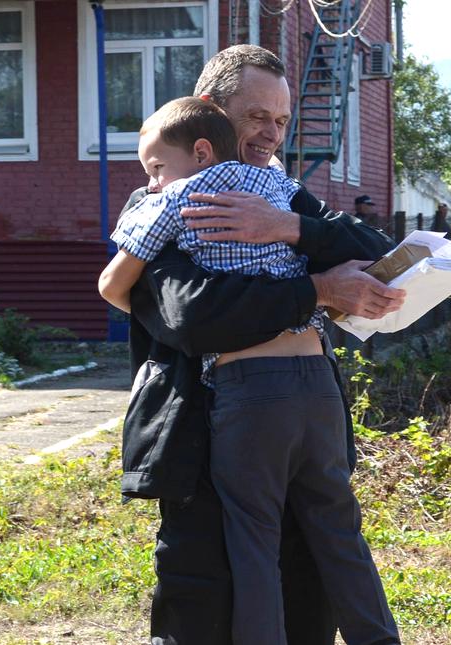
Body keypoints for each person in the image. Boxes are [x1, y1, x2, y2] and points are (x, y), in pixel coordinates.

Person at [119, 45, 404, 645]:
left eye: (281, 121)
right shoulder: (164, 203)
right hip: (198, 442)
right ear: (208, 112)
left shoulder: (277, 193)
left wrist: (292, 228)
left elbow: (380, 254)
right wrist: (319, 289)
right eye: (256, 117)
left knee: (307, 593)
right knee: (205, 607)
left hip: (288, 415)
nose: (271, 135)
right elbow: (195, 316)